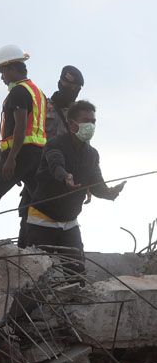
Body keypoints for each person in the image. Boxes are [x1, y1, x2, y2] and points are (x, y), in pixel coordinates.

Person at [27, 100, 124, 273]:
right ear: (72, 124)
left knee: (77, 274)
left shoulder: (92, 154)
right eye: (86, 121)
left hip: (70, 223)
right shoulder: (55, 144)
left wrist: (110, 193)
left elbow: (96, 184)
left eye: (93, 122)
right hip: (42, 220)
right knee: (35, 276)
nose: (91, 125)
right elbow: (55, 163)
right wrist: (65, 177)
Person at [0, 45, 47, 247]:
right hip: (36, 154)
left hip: (21, 154)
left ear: (12, 68)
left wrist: (11, 158)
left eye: (2, 71)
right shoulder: (37, 91)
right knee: (38, 201)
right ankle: (33, 244)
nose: (1, 76)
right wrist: (4, 149)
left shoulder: (18, 92)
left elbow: (20, 127)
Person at [46, 65, 84, 139]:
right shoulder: (43, 106)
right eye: (69, 87)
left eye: (76, 88)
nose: (73, 90)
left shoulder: (79, 113)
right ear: (60, 84)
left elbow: (83, 143)